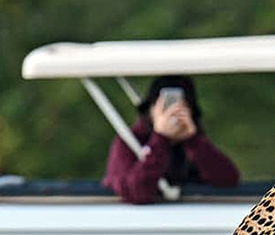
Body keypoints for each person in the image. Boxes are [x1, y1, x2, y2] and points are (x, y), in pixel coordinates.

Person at [101, 76, 240, 204]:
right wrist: (160, 139)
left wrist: (194, 141)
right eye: (165, 106)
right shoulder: (130, 142)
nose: (172, 113)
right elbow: (136, 192)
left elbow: (228, 180)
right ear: (151, 109)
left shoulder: (194, 145)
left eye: (181, 107)